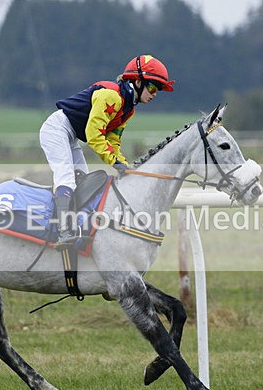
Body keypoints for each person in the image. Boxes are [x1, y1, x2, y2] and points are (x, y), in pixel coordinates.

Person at [39, 54, 175, 250]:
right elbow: (94, 134)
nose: (155, 93)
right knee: (67, 178)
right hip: (56, 129)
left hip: (71, 135)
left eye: (159, 89)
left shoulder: (129, 109)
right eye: (153, 87)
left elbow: (113, 140)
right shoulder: (111, 95)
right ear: (137, 81)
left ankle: (77, 226)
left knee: (82, 181)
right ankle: (63, 230)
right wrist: (115, 163)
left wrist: (124, 164)